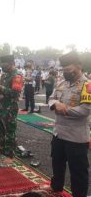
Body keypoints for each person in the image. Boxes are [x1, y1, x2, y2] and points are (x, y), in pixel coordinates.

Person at [48, 51, 90, 197]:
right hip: (58, 133)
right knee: (57, 164)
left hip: (76, 137)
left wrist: (65, 110)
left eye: (68, 70)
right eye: (63, 70)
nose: (65, 73)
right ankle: (56, 187)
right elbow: (51, 98)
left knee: (78, 171)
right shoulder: (61, 83)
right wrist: (54, 105)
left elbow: (86, 109)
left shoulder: (87, 85)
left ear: (79, 66)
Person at [0, 55, 23, 158]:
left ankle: (10, 155)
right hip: (1, 106)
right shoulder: (5, 75)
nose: (3, 67)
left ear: (11, 64)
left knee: (9, 131)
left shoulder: (17, 76)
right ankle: (2, 150)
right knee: (0, 129)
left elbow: (15, 93)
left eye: (4, 65)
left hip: (10, 108)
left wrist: (1, 89)